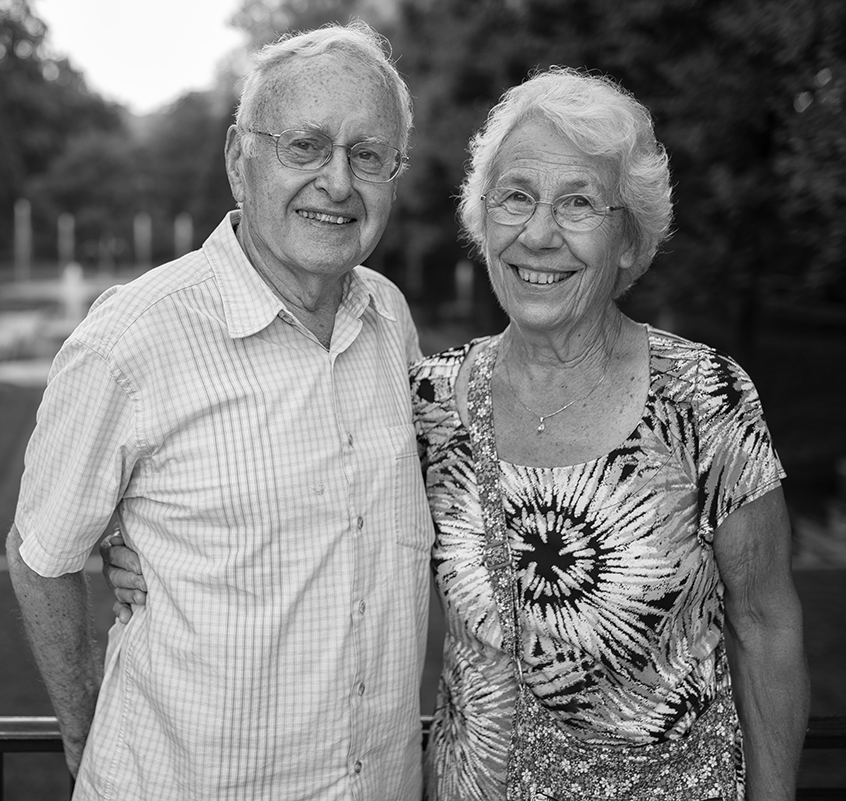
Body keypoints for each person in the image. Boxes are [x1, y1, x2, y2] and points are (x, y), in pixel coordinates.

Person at [104, 67, 810, 799]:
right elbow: (317, 497)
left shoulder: (704, 397)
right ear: (483, 221)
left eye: (578, 203)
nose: (539, 234)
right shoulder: (433, 398)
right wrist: (137, 535)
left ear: (629, 238)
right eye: (516, 197)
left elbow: (766, 622)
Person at [7, 20, 434, 800]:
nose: (339, 183)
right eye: (305, 146)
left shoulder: (389, 319)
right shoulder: (133, 339)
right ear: (241, 160)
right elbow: (41, 556)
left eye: (369, 155)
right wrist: (85, 726)